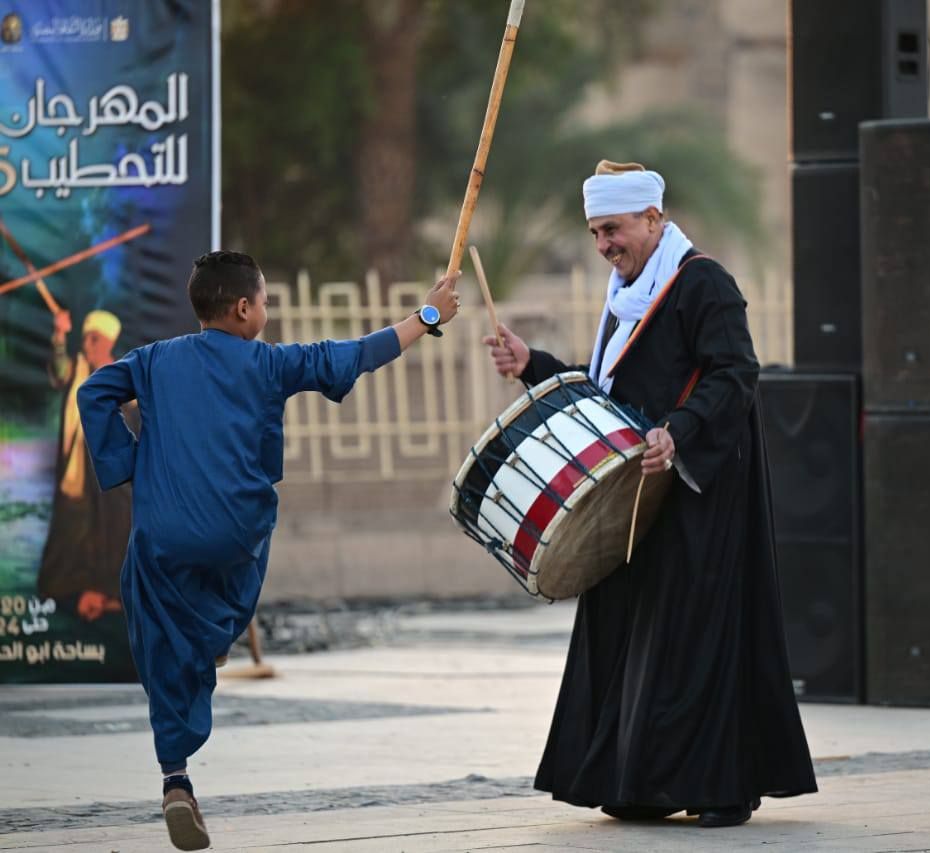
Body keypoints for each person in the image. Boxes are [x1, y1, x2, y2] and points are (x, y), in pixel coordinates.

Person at [77, 251, 459, 851]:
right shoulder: (271, 363)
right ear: (243, 308)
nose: (267, 312)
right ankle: (215, 637)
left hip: (164, 533)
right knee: (239, 558)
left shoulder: (151, 361)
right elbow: (355, 354)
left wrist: (130, 465)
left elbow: (94, 392)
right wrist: (428, 315)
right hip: (235, 535)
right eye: (265, 302)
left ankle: (175, 777)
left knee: (154, 617)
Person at [483, 161, 816, 828]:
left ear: (653, 218)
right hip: (636, 496)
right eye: (595, 233)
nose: (603, 244)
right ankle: (638, 783)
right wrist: (534, 365)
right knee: (632, 635)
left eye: (613, 229)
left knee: (695, 638)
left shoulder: (703, 282)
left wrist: (677, 432)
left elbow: (735, 372)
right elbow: (608, 394)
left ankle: (722, 787)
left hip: (699, 494)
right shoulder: (626, 296)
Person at [37, 308, 136, 622]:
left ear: (108, 343)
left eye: (97, 340)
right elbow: (59, 369)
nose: (91, 345)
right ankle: (68, 592)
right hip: (77, 470)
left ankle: (106, 595)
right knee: (71, 529)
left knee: (110, 531)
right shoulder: (76, 370)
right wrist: (59, 335)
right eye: (89, 339)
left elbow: (133, 417)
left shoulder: (120, 373)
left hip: (109, 476)